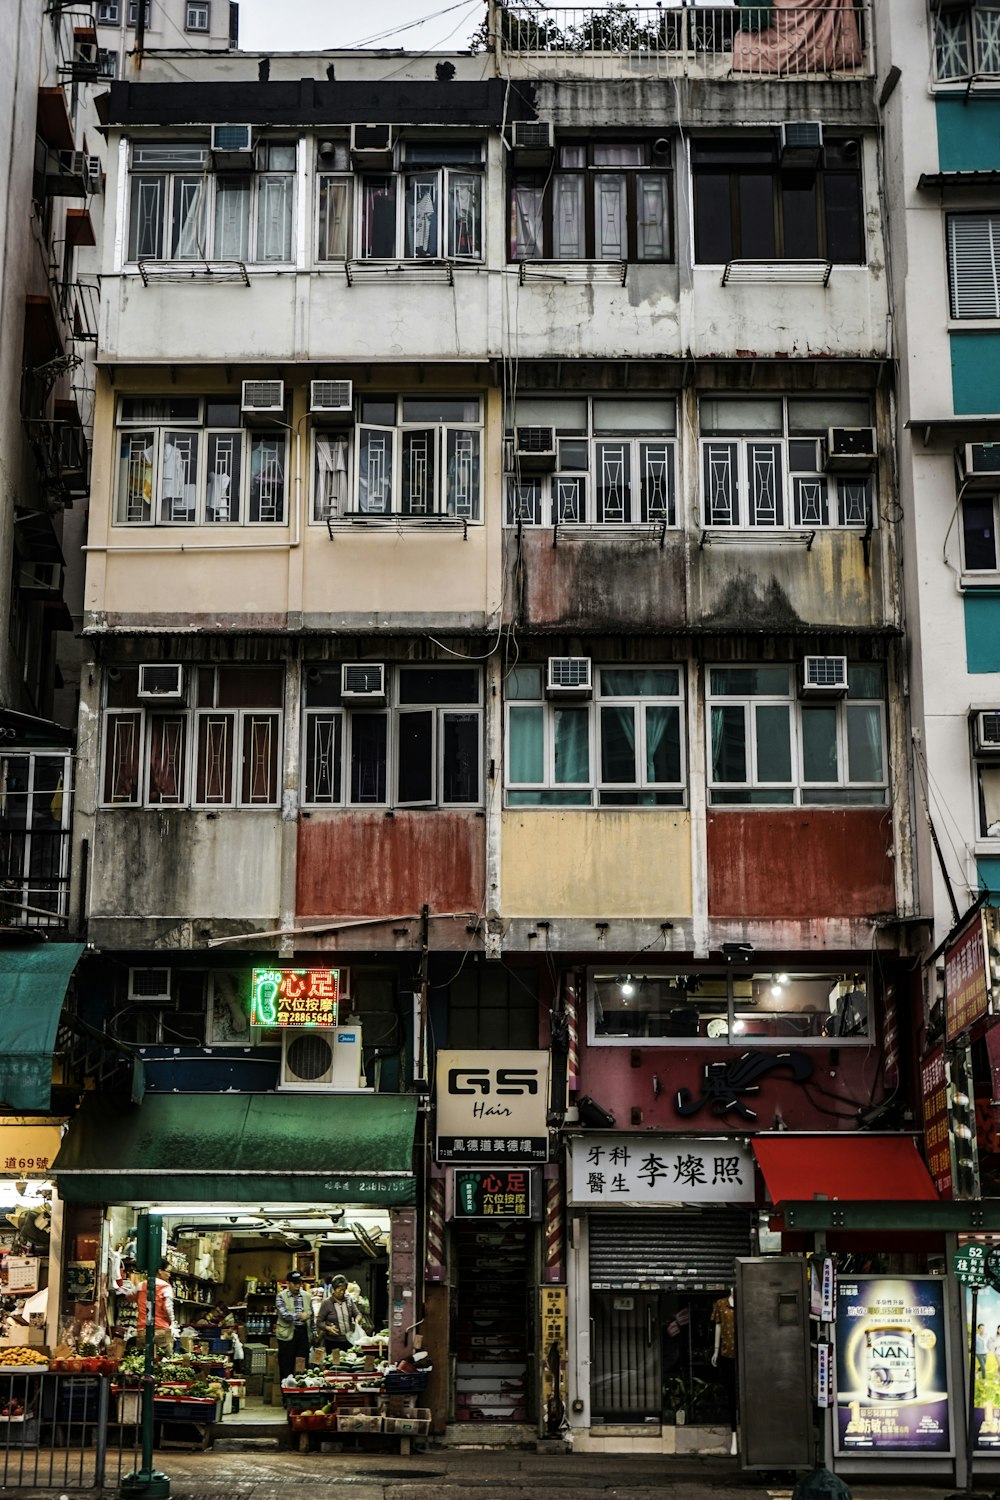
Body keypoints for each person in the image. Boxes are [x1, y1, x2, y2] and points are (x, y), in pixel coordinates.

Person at [275, 1271, 311, 1382]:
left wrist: (313, 1333)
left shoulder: (307, 1296)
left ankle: (301, 1390)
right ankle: (286, 1394)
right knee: (286, 1365)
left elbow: (311, 1314)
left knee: (302, 1364)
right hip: (287, 1335)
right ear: (288, 1283)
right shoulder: (281, 1296)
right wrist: (300, 1316)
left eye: (299, 1283)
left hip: (303, 1334)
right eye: (294, 1283)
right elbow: (284, 1315)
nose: (297, 1286)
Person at [135, 1259, 175, 1351]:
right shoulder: (166, 1287)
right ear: (160, 1271)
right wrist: (172, 1322)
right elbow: (168, 1308)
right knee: (164, 1359)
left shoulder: (141, 1285)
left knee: (140, 1359)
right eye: (168, 1272)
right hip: (161, 1330)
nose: (169, 1275)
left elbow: (131, 1296)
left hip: (142, 1330)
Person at [316, 1275, 359, 1355]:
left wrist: (357, 1320)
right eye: (339, 1290)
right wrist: (328, 1328)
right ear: (333, 1289)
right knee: (335, 1364)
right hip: (333, 1342)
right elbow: (319, 1322)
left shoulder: (349, 1301)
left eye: (344, 1290)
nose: (342, 1292)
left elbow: (357, 1314)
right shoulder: (327, 1303)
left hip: (348, 1340)